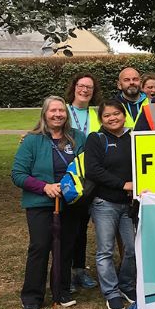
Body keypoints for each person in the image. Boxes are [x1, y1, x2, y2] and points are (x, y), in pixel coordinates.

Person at [11, 96, 86, 309]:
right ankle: (32, 296)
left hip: (70, 201)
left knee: (65, 247)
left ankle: (61, 290)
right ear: (44, 114)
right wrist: (45, 187)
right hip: (41, 203)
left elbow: (87, 167)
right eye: (53, 111)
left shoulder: (78, 137)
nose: (57, 115)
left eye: (61, 111)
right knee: (40, 246)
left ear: (67, 114)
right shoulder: (32, 140)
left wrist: (69, 186)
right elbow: (18, 174)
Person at [84, 100, 136, 309]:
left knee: (132, 249)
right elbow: (93, 170)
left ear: (124, 115)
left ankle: (126, 285)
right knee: (105, 250)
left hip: (129, 204)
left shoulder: (134, 137)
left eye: (117, 114)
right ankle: (111, 292)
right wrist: (122, 184)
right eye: (107, 116)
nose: (113, 118)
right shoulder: (96, 139)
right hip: (104, 203)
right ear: (101, 120)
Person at [64, 73, 101, 292]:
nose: (85, 90)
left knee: (82, 226)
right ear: (74, 87)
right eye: (81, 86)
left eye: (89, 87)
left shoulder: (96, 114)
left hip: (90, 176)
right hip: (69, 175)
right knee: (68, 227)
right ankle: (65, 272)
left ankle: (79, 270)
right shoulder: (64, 110)